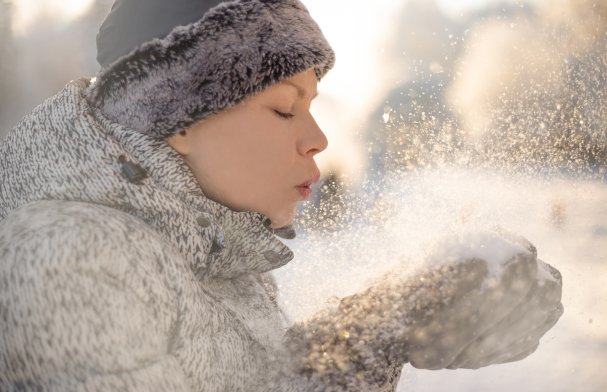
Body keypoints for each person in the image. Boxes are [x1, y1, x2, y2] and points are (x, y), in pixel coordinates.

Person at [0, 0, 563, 391]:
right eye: (284, 108)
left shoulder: (208, 252)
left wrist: (395, 319)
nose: (318, 139)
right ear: (178, 117)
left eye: (313, 106)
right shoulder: (68, 255)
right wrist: (376, 334)